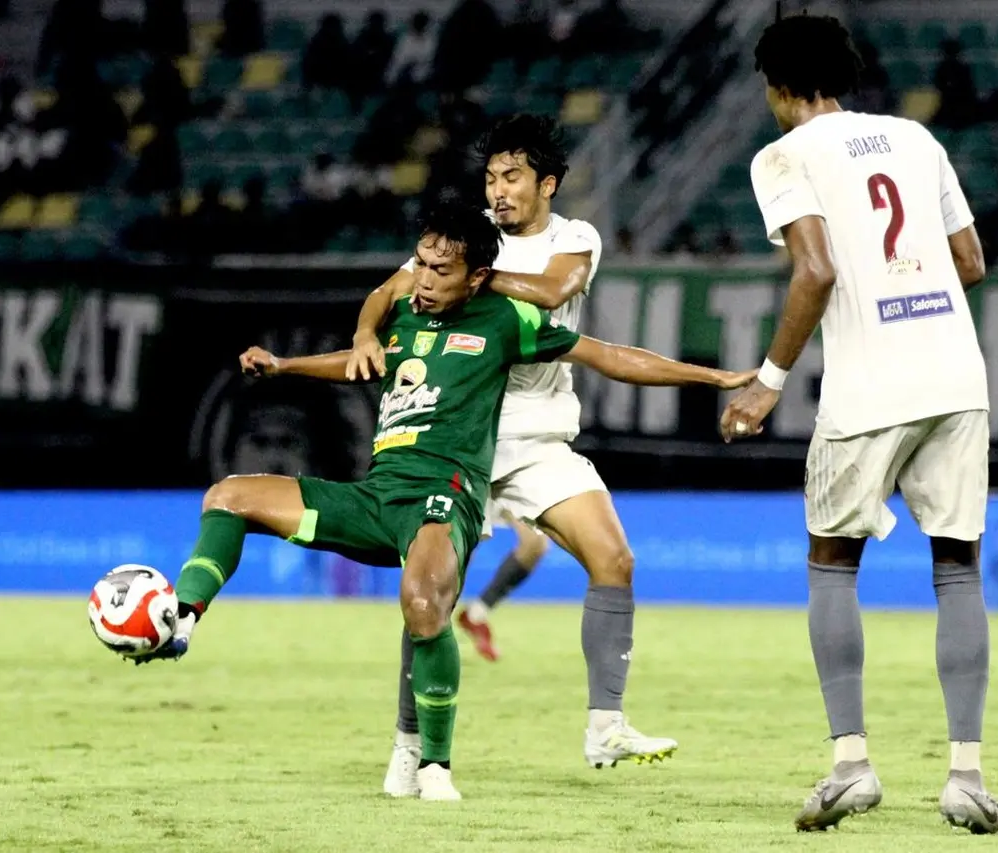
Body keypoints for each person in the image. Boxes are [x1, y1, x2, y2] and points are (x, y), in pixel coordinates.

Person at [136, 201, 755, 802]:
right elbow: (356, 361)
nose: (422, 281)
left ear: (477, 276)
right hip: (377, 497)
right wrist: (284, 367)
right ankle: (181, 620)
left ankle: (432, 765)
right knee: (230, 494)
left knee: (424, 603)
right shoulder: (403, 315)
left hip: (443, 499)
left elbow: (609, 356)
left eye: (439, 271)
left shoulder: (507, 320)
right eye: (420, 265)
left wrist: (712, 378)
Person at [718, 14, 998, 834]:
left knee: (832, 564)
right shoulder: (916, 141)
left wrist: (768, 381)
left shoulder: (783, 155)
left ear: (776, 87)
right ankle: (967, 776)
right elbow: (970, 263)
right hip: (956, 375)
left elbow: (815, 269)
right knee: (958, 569)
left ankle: (852, 763)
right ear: (843, 75)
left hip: (871, 383)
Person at [346, 114, 676, 794]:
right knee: (430, 598)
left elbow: (556, 291)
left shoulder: (570, 239)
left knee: (613, 558)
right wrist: (362, 332)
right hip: (456, 435)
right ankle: (409, 747)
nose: (498, 190)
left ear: (546, 184)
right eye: (491, 177)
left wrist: (473, 276)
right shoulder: (464, 239)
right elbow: (388, 292)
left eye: (513, 177)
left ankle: (605, 724)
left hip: (534, 436)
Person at [455, 510, 548, 661]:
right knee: (463, 544)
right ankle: (434, 626)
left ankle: (475, 614)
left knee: (535, 543)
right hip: (471, 487)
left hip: (509, 486)